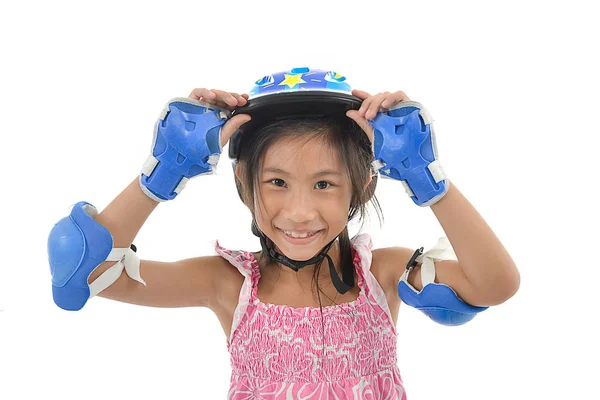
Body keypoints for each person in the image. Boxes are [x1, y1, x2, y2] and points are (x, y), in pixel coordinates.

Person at [48, 68, 520, 399]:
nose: (299, 212)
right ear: (243, 185)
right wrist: (163, 171)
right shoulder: (228, 284)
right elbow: (82, 272)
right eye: (277, 182)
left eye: (324, 184)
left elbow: (496, 284)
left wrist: (428, 179)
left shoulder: (384, 275)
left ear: (363, 184)